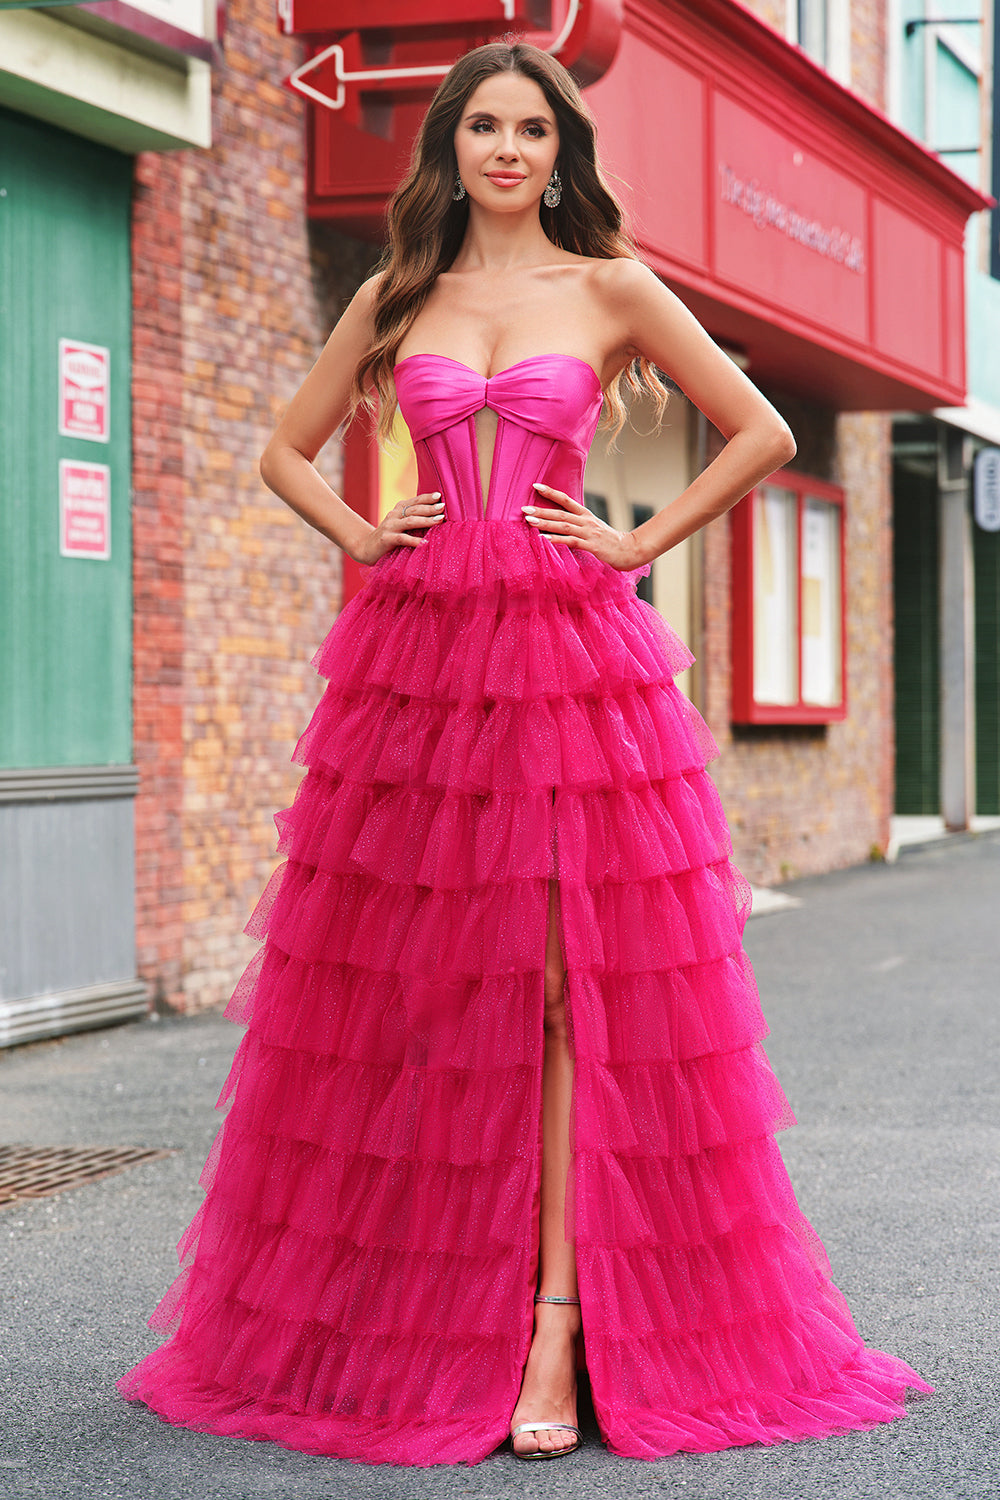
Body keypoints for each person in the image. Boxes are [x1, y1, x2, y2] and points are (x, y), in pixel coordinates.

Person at [118, 39, 931, 1466]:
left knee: (565, 990)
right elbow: (284, 449)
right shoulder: (400, 292)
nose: (508, 149)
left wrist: (635, 540)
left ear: (563, 152)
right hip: (421, 674)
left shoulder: (609, 286)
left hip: (572, 666)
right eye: (486, 127)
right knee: (426, 991)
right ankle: (429, 1314)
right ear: (452, 145)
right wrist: (366, 534)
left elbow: (759, 428)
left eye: (533, 130)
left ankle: (556, 1318)